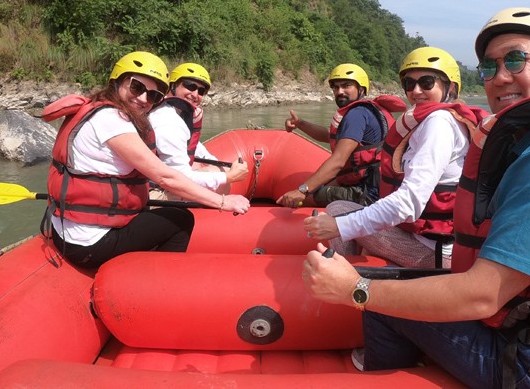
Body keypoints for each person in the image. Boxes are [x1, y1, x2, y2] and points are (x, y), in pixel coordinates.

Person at [302, 8, 530, 388]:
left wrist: (355, 290)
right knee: (392, 287)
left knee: (380, 303)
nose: (501, 77)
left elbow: (482, 295)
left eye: (516, 59)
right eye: (489, 67)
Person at [42, 52, 251, 269]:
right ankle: (155, 279)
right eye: (136, 87)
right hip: (88, 244)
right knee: (181, 220)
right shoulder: (111, 120)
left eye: (152, 96)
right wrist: (224, 202)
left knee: (163, 213)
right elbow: (165, 177)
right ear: (117, 81)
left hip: (68, 230)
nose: (143, 99)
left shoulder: (101, 110)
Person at [304, 48, 487, 269]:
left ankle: (339, 279)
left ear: (451, 87)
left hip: (432, 251)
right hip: (429, 239)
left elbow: (409, 203)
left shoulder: (439, 123)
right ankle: (363, 269)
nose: (416, 91)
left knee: (337, 211)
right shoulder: (440, 120)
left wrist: (339, 226)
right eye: (409, 84)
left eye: (427, 82)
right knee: (345, 210)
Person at [277, 63, 406, 208]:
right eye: (336, 87)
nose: (340, 91)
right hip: (376, 185)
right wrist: (300, 124)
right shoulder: (368, 111)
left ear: (361, 89)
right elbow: (330, 136)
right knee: (324, 186)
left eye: (346, 86)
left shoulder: (357, 114)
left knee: (296, 200)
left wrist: (302, 190)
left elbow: (338, 161)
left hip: (368, 193)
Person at [148, 62, 248, 200]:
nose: (195, 94)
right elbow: (179, 178)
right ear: (173, 85)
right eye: (190, 86)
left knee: (213, 169)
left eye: (201, 91)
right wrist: (229, 176)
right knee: (222, 182)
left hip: (162, 180)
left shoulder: (176, 113)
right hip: (153, 193)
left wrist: (219, 164)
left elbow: (195, 147)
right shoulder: (167, 121)